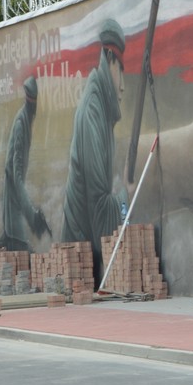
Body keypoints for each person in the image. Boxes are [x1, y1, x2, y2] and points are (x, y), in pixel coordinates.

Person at [61, 20, 127, 286]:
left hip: (86, 256)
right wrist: (128, 192)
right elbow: (101, 213)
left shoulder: (101, 108)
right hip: (81, 259)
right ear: (109, 59)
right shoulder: (93, 111)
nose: (122, 86)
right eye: (120, 70)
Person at [1, 76, 50, 252]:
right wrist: (33, 216)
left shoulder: (26, 120)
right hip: (14, 204)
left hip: (17, 202)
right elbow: (17, 175)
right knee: (22, 251)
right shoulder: (22, 123)